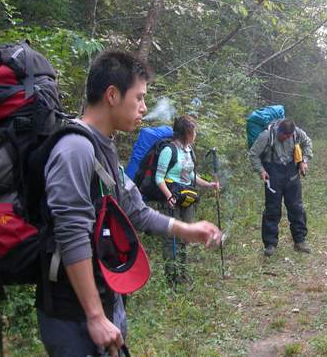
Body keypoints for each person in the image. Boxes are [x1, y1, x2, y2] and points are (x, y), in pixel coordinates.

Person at [36, 50, 222, 357]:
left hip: (106, 297)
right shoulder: (75, 150)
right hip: (74, 313)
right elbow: (71, 232)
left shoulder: (103, 147)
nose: (144, 107)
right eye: (139, 97)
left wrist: (187, 230)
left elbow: (136, 209)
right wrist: (95, 316)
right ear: (112, 95)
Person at [155, 114, 219, 283]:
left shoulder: (188, 150)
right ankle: (171, 277)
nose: (195, 134)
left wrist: (209, 185)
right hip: (171, 198)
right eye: (193, 131)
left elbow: (190, 176)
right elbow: (159, 178)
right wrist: (169, 196)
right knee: (171, 238)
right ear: (185, 133)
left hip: (186, 198)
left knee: (186, 236)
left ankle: (182, 272)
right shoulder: (169, 150)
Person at [248, 118, 313, 256]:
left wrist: (304, 161)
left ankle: (300, 241)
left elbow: (307, 143)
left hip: (292, 173)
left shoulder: (297, 133)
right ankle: (270, 244)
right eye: (285, 136)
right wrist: (261, 171)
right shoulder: (267, 136)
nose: (287, 138)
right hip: (273, 175)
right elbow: (253, 154)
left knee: (297, 208)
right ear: (279, 131)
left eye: (289, 136)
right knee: (272, 209)